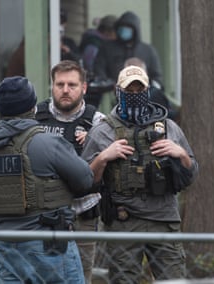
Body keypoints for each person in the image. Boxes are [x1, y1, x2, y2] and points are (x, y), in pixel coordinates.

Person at [0, 76, 94, 283]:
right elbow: (85, 180)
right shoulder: (47, 143)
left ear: (0, 109)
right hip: (48, 244)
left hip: (5, 245)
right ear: (32, 107)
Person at [81, 65, 198, 283]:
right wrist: (103, 157)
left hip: (164, 219)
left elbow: (190, 176)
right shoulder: (102, 131)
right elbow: (86, 182)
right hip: (124, 221)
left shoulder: (169, 128)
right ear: (118, 92)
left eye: (139, 91)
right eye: (129, 92)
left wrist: (180, 154)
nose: (135, 96)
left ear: (147, 91)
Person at [35, 60, 104, 284]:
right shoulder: (35, 117)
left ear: (84, 88)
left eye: (72, 85)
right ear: (52, 86)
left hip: (83, 211)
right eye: (60, 84)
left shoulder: (98, 122)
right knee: (43, 276)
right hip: (43, 213)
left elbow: (114, 162)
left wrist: (94, 141)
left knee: (81, 276)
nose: (65, 90)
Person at [92, 11, 163, 107]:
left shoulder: (148, 51)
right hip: (113, 98)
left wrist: (147, 90)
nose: (124, 31)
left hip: (143, 100)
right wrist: (110, 85)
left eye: (128, 28)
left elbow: (157, 78)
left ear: (135, 30)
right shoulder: (107, 48)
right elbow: (98, 71)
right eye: (121, 28)